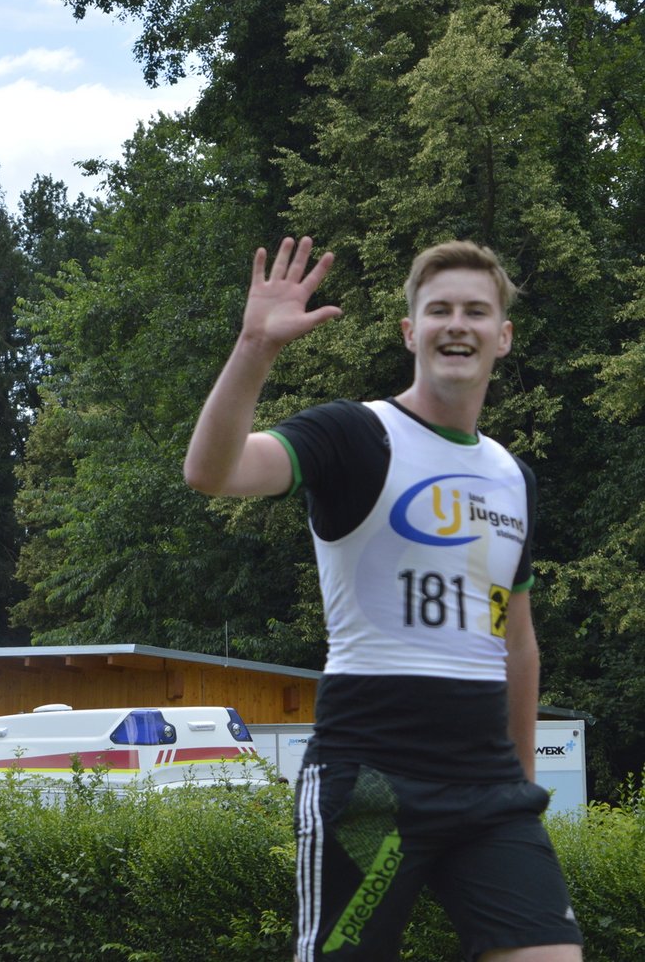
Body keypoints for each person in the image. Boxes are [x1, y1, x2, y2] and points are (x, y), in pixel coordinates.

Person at [184, 238, 583, 961]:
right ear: (410, 331)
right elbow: (214, 472)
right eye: (438, 309)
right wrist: (254, 348)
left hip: (490, 792)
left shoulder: (512, 476)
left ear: (502, 336)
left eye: (475, 311)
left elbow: (517, 643)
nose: (456, 323)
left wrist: (522, 790)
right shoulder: (353, 434)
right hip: (370, 785)